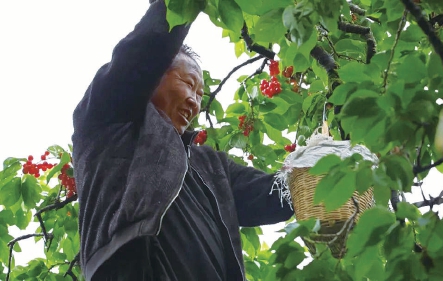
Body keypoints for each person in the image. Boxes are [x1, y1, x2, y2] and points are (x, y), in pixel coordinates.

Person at [71, 1, 294, 280]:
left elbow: (270, 194)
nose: (194, 102)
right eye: (188, 84)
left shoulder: (211, 165)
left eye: (200, 96)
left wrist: (325, 171)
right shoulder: (110, 120)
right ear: (154, 75)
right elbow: (144, 50)